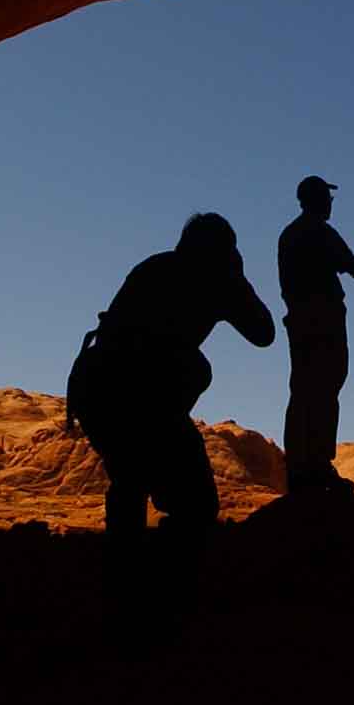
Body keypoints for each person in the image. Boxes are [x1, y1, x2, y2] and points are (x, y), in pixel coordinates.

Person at [67, 213, 276, 545]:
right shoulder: (217, 279)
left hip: (97, 389)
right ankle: (160, 581)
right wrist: (240, 277)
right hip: (140, 397)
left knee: (129, 481)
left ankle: (124, 575)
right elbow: (264, 332)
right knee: (192, 505)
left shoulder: (154, 267)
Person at [277, 175, 354, 494]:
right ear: (317, 199)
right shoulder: (320, 232)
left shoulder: (289, 235)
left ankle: (299, 469)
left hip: (298, 321)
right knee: (326, 388)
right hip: (324, 320)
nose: (331, 203)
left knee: (302, 391)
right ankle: (318, 466)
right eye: (328, 197)